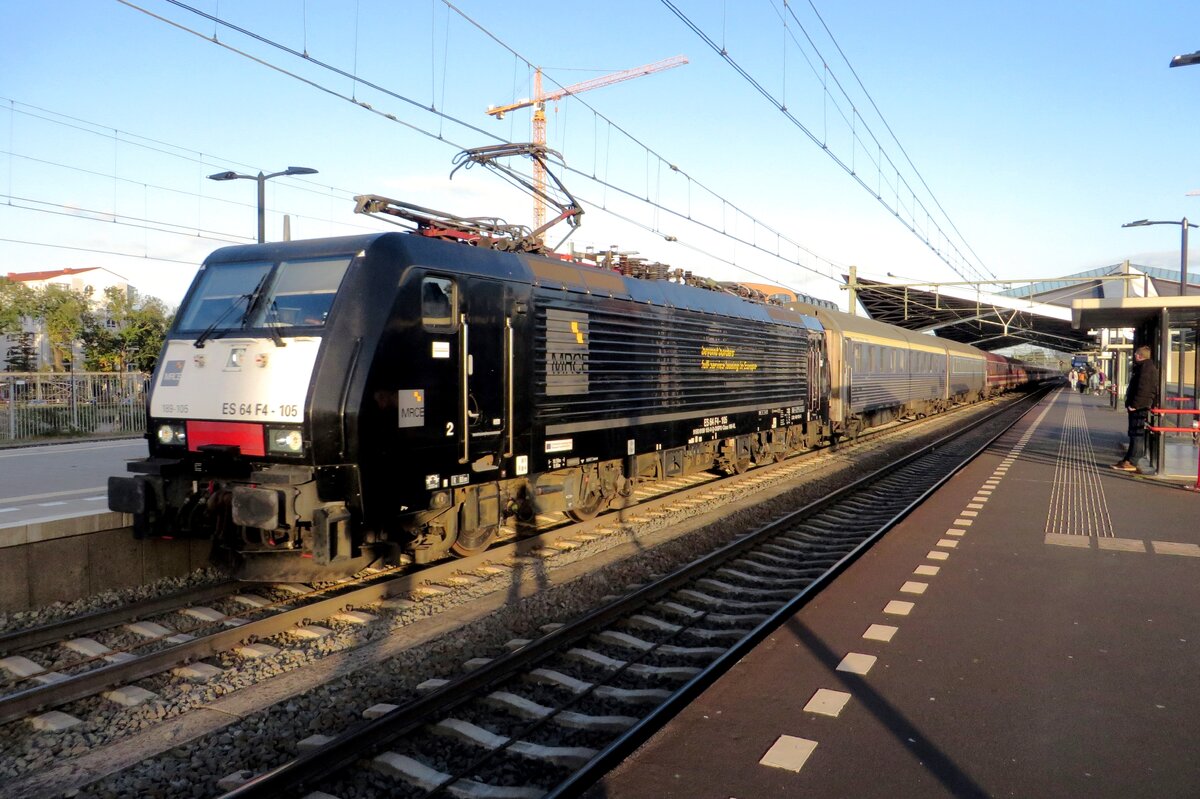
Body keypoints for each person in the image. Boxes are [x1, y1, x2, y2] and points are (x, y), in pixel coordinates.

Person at [1112, 345, 1159, 473]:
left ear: (1140, 356)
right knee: (1133, 433)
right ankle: (1127, 459)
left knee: (1137, 434)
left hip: (1139, 407)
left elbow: (1144, 390)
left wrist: (1135, 404)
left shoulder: (1146, 369)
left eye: (1136, 354)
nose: (1134, 356)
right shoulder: (1144, 368)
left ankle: (1132, 461)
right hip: (1138, 406)